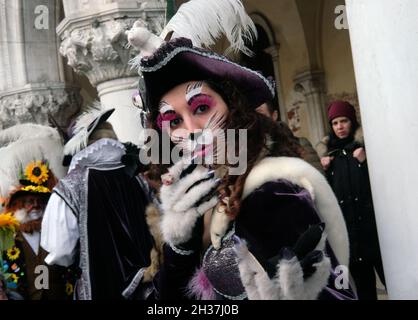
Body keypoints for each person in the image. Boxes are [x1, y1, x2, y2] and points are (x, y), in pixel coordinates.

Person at [127, 1, 354, 300]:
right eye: (174, 120)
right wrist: (180, 246)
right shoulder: (198, 191)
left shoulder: (273, 191)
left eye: (202, 107)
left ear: (232, 107)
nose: (192, 129)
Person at [41, 104, 154, 300]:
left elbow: (60, 251)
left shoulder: (70, 186)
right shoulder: (137, 178)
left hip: (99, 288)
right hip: (148, 286)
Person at [0, 124, 72, 300]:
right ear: (16, 205)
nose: (35, 206)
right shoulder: (2, 235)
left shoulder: (57, 229)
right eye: (29, 201)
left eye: (39, 201)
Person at [316, 100, 385, 300]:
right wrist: (325, 171)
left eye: (344, 121)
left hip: (374, 234)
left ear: (352, 121)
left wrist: (364, 163)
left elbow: (381, 185)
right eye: (335, 123)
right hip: (350, 240)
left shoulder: (366, 150)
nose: (340, 127)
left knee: (399, 281)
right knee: (363, 293)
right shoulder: (330, 158)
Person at [256, 102, 324, 174]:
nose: (256, 121)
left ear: (274, 116)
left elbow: (318, 180)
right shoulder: (248, 151)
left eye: (260, 115)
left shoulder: (300, 145)